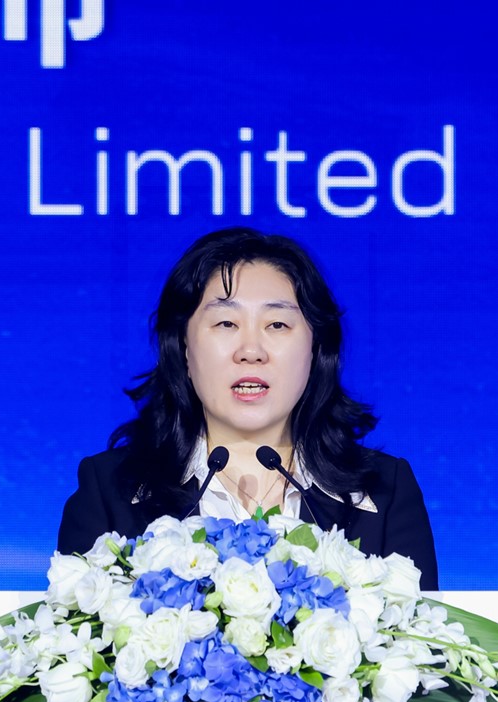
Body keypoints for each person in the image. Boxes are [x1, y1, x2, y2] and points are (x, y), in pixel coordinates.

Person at [57, 227, 439, 589]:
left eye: (277, 325)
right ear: (184, 348)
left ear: (315, 349)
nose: (251, 351)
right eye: (226, 323)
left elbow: (422, 633)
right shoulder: (111, 492)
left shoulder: (384, 492)